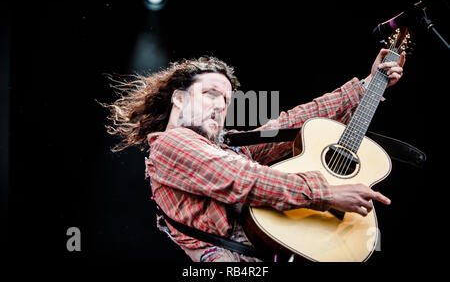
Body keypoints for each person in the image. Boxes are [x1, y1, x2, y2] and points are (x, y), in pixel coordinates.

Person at [102, 48, 405, 262]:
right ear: (179, 99)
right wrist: (326, 194)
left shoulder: (222, 149)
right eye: (210, 94)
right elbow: (242, 178)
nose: (221, 106)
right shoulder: (171, 145)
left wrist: (365, 86)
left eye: (226, 100)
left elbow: (287, 125)